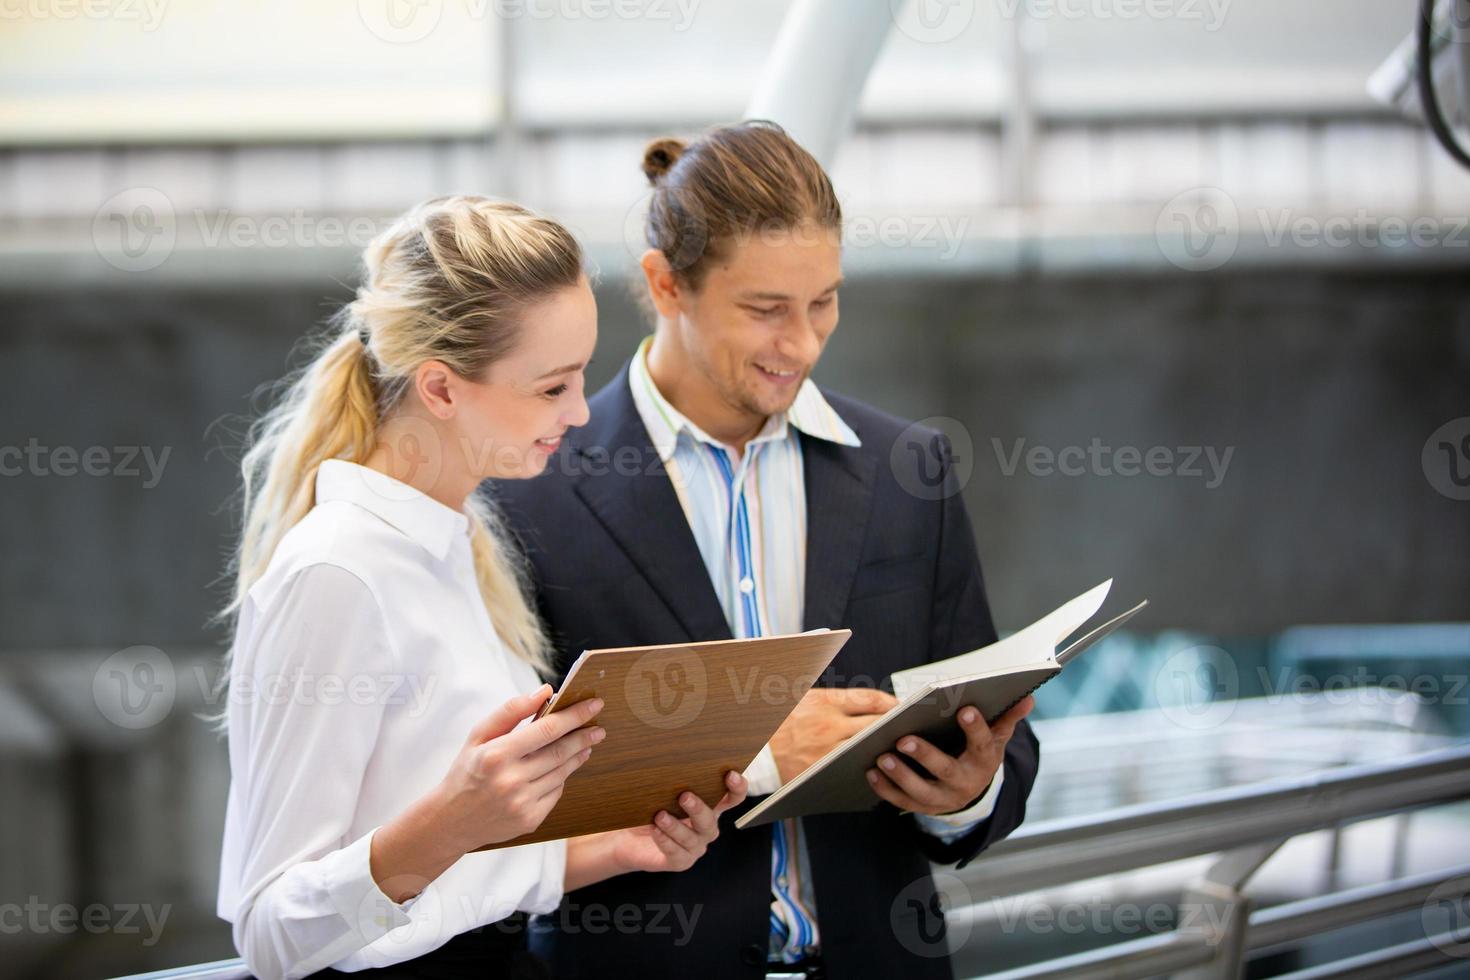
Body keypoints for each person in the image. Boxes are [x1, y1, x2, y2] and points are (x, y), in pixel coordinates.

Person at [492, 121, 1040, 980]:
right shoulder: (530, 489)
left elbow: (994, 732)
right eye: (765, 310)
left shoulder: (909, 469)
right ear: (665, 284)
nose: (804, 342)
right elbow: (503, 793)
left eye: (823, 300)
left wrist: (966, 793)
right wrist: (751, 755)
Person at [215, 196, 746, 980]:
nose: (577, 413)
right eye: (550, 387)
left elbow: (460, 882)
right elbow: (270, 934)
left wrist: (617, 847)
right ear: (439, 390)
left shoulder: (454, 541)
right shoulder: (337, 574)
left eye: (581, 378)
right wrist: (453, 817)